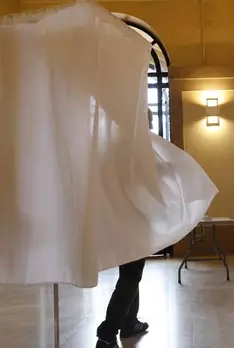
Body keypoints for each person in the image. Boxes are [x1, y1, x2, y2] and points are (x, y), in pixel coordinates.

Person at [96, 108, 155, 347]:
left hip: (120, 217)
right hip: (135, 218)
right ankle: (108, 331)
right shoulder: (140, 149)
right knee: (131, 275)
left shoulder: (113, 146)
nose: (151, 125)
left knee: (129, 273)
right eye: (149, 120)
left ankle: (129, 323)